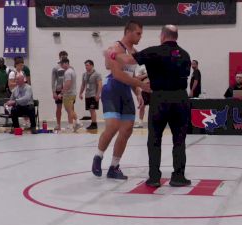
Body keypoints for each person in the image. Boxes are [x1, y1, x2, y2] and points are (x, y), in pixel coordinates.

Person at [113, 24, 192, 187]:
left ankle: (154, 177)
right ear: (175, 37)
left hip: (160, 99)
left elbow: (127, 60)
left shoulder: (153, 51)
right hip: (180, 99)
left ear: (162, 36)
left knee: (154, 139)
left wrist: (112, 54)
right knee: (179, 139)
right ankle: (178, 176)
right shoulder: (185, 54)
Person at [91, 20, 149, 180]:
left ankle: (114, 167)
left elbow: (130, 76)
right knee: (113, 126)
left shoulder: (134, 51)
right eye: (138, 33)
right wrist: (141, 86)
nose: (140, 37)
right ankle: (98, 156)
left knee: (127, 129)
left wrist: (137, 93)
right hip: (112, 89)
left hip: (126, 90)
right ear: (128, 32)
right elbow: (118, 75)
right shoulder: (115, 49)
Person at [59, 57, 83, 132]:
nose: (61, 66)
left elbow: (68, 83)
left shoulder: (68, 72)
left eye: (62, 64)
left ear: (66, 63)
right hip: (72, 93)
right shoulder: (72, 71)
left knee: (69, 110)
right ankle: (78, 122)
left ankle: (71, 125)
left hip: (68, 94)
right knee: (70, 109)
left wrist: (61, 93)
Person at [79, 60, 102, 130]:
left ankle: (94, 124)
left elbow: (100, 85)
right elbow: (83, 85)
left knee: (92, 109)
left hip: (93, 94)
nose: (86, 67)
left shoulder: (97, 74)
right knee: (90, 109)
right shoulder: (84, 74)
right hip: (87, 95)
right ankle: (93, 123)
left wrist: (98, 94)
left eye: (87, 65)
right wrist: (80, 93)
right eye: (85, 65)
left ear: (92, 65)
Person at [51, 51, 68, 130]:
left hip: (67, 90)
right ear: (59, 57)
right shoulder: (55, 68)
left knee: (70, 108)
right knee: (59, 108)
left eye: (65, 56)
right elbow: (53, 80)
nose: (64, 57)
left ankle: (71, 124)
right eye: (62, 56)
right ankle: (58, 124)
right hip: (58, 90)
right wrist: (54, 92)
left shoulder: (69, 68)